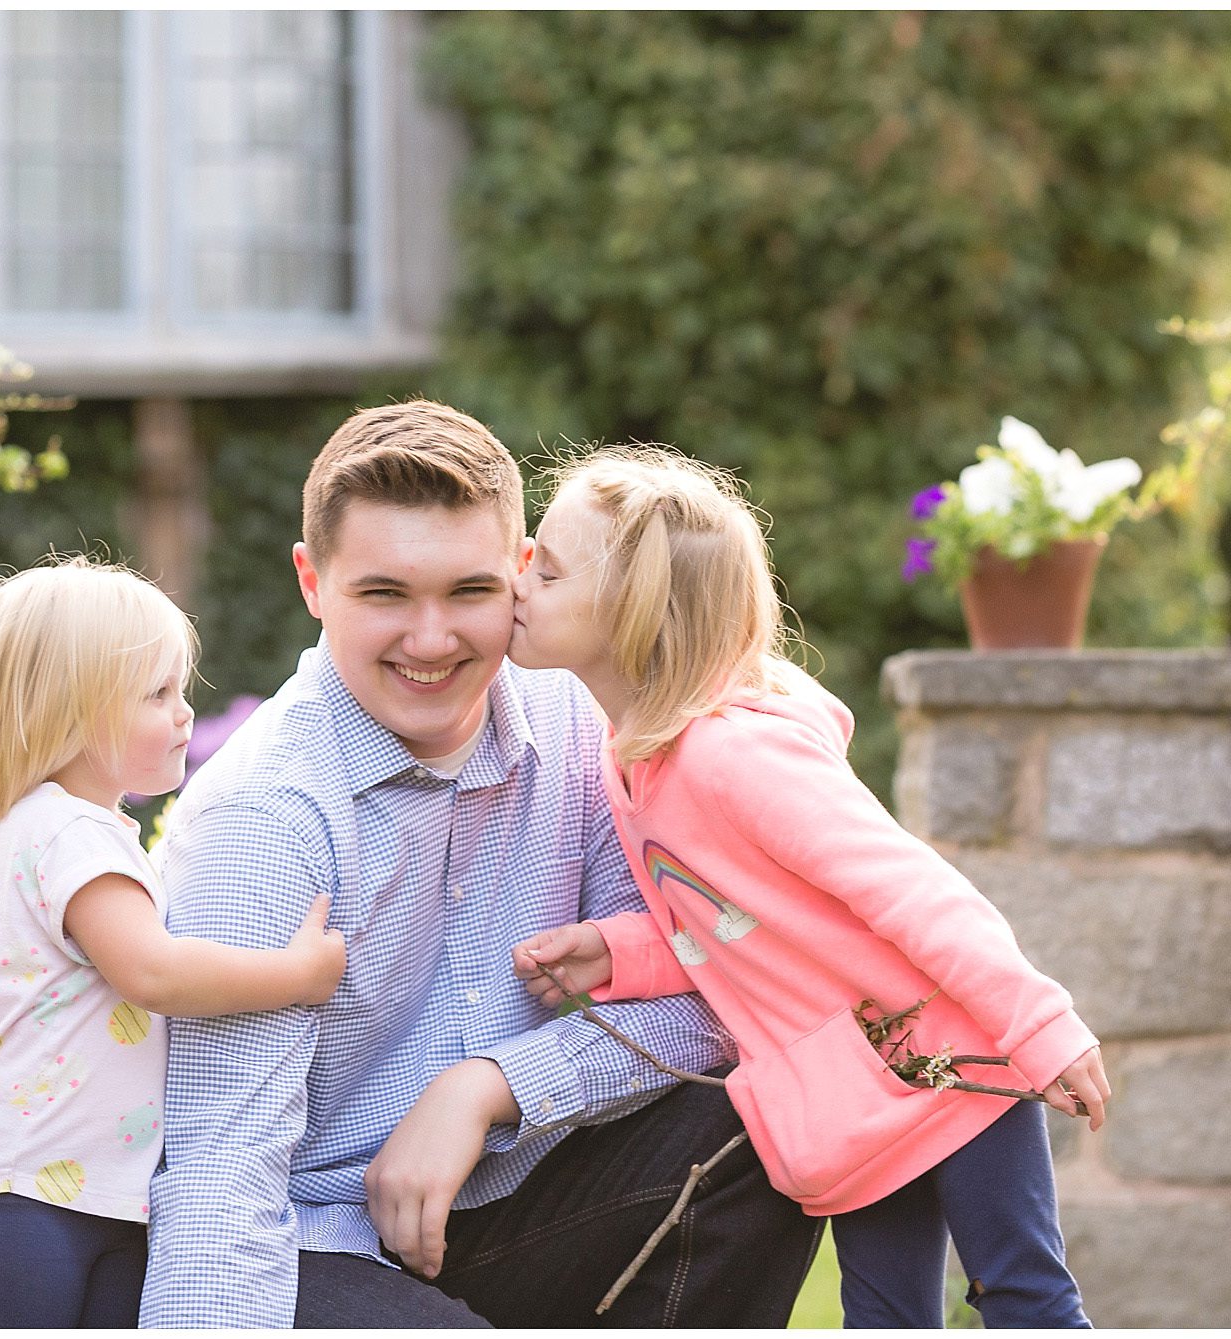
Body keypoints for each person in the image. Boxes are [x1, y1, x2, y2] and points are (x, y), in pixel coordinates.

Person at [140, 401, 820, 1328]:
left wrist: (489, 1088)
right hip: (311, 1235)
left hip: (513, 1191)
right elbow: (224, 1164)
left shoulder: (581, 721)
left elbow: (713, 989)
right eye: (384, 594)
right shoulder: (266, 815)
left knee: (763, 1119)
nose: (431, 641)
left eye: (468, 592)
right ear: (312, 580)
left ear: (525, 572)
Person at [507, 445, 1108, 1328]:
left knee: (1025, 1296)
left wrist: (1039, 1025)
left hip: (954, 1060)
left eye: (547, 570)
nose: (516, 582)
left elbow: (910, 889)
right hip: (851, 1104)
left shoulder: (730, 756)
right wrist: (618, 952)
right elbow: (735, 927)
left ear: (633, 613)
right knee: (885, 1315)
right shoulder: (635, 760)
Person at [0, 556, 346, 1328]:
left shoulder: (88, 831)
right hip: (26, 1201)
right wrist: (294, 974)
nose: (185, 713)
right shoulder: (68, 828)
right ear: (69, 711)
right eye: (157, 693)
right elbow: (153, 972)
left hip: (96, 1196)